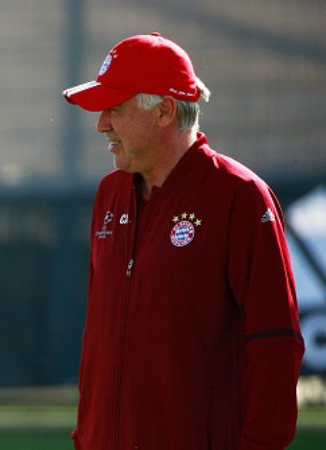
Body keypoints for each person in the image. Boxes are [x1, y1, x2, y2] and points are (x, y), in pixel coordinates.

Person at [62, 33, 304, 449]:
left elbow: (275, 342)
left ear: (165, 111)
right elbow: (98, 339)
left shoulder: (239, 196)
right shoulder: (110, 194)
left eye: (114, 108)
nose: (101, 123)